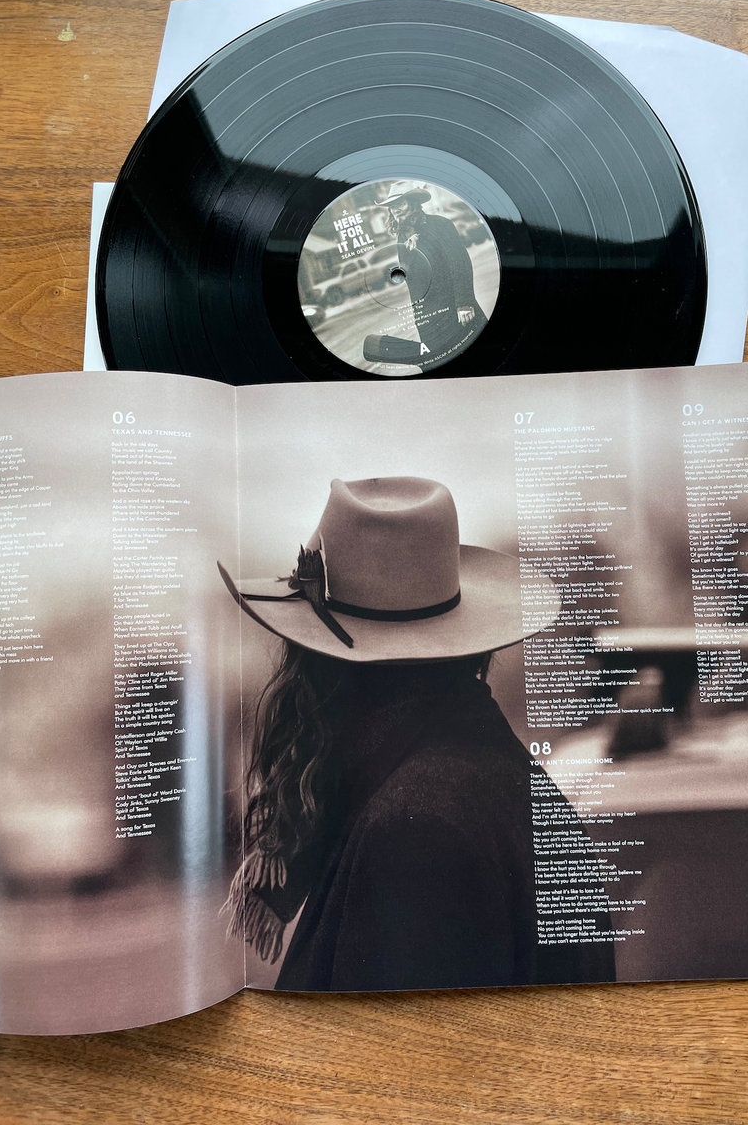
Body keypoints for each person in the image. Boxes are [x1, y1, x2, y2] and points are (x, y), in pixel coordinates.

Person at [219, 476, 615, 991]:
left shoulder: (414, 832)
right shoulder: (495, 773)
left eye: (306, 649)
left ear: (333, 669)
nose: (292, 676)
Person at [363, 183, 488, 367]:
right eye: (392, 206)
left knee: (478, 358)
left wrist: (464, 303)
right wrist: (419, 317)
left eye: (400, 203)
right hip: (429, 319)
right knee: (438, 366)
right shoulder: (401, 239)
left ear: (414, 202)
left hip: (455, 309)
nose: (395, 210)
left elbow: (459, 263)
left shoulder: (441, 225)